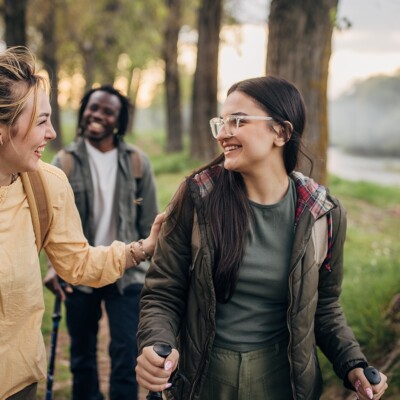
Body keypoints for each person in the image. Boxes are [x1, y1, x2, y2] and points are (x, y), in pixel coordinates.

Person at [135, 76, 389, 400]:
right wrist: (157, 344)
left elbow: (324, 307)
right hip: (205, 381)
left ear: (280, 132)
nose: (224, 133)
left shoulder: (323, 214)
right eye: (221, 122)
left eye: (238, 121)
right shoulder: (197, 197)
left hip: (285, 384)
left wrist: (352, 364)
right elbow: (163, 292)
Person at [0, 46, 162, 400]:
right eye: (41, 121)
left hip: (17, 381)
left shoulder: (49, 181)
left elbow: (76, 256)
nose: (52, 132)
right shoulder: (69, 161)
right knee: (82, 358)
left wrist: (144, 249)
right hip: (82, 290)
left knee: (123, 354)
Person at [44, 84, 158, 400]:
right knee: (82, 358)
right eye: (93, 108)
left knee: (125, 353)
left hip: (128, 271)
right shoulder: (63, 163)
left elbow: (150, 225)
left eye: (108, 111)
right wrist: (56, 266)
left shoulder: (138, 163)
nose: (98, 115)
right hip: (80, 272)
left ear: (119, 121)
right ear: (84, 111)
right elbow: (53, 229)